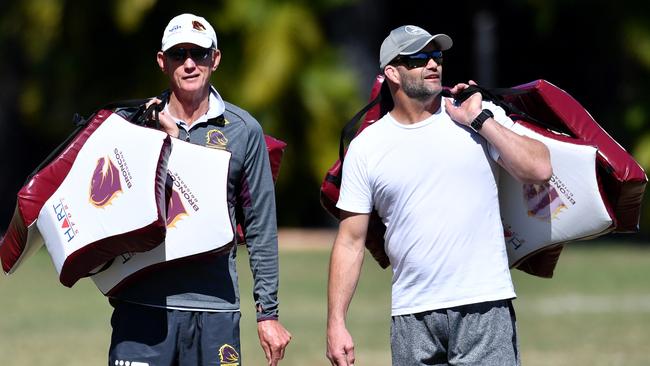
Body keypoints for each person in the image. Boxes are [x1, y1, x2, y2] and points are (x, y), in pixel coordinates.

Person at [326, 25, 552, 366]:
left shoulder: (472, 115)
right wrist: (336, 323)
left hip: (484, 304)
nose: (432, 64)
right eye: (418, 58)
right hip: (412, 315)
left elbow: (539, 169)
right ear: (392, 73)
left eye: (436, 56)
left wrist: (480, 119)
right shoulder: (366, 148)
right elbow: (349, 242)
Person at [108, 13, 291, 366]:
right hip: (142, 308)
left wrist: (268, 312)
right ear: (163, 62)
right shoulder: (134, 125)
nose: (190, 64)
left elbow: (261, 228)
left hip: (215, 311)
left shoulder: (243, 131)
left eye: (200, 53)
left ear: (215, 59)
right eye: (179, 54)